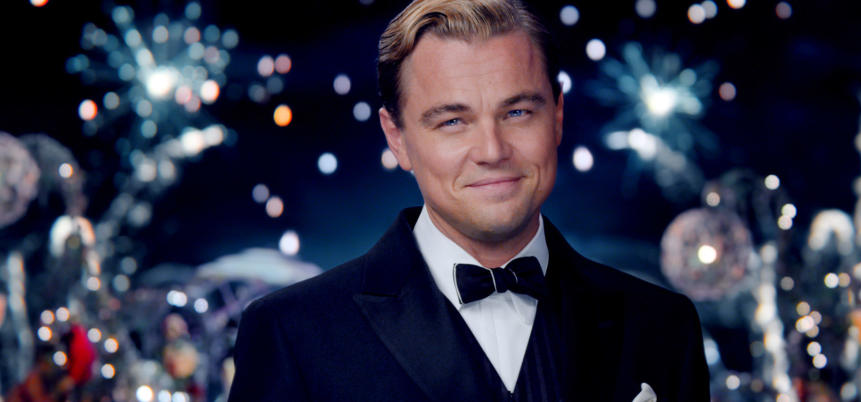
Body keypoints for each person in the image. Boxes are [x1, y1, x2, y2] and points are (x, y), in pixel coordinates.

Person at [228, 0, 710, 401]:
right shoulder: (291, 332)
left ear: (558, 117)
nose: (493, 151)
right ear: (396, 138)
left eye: (518, 111)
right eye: (453, 121)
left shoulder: (663, 326)